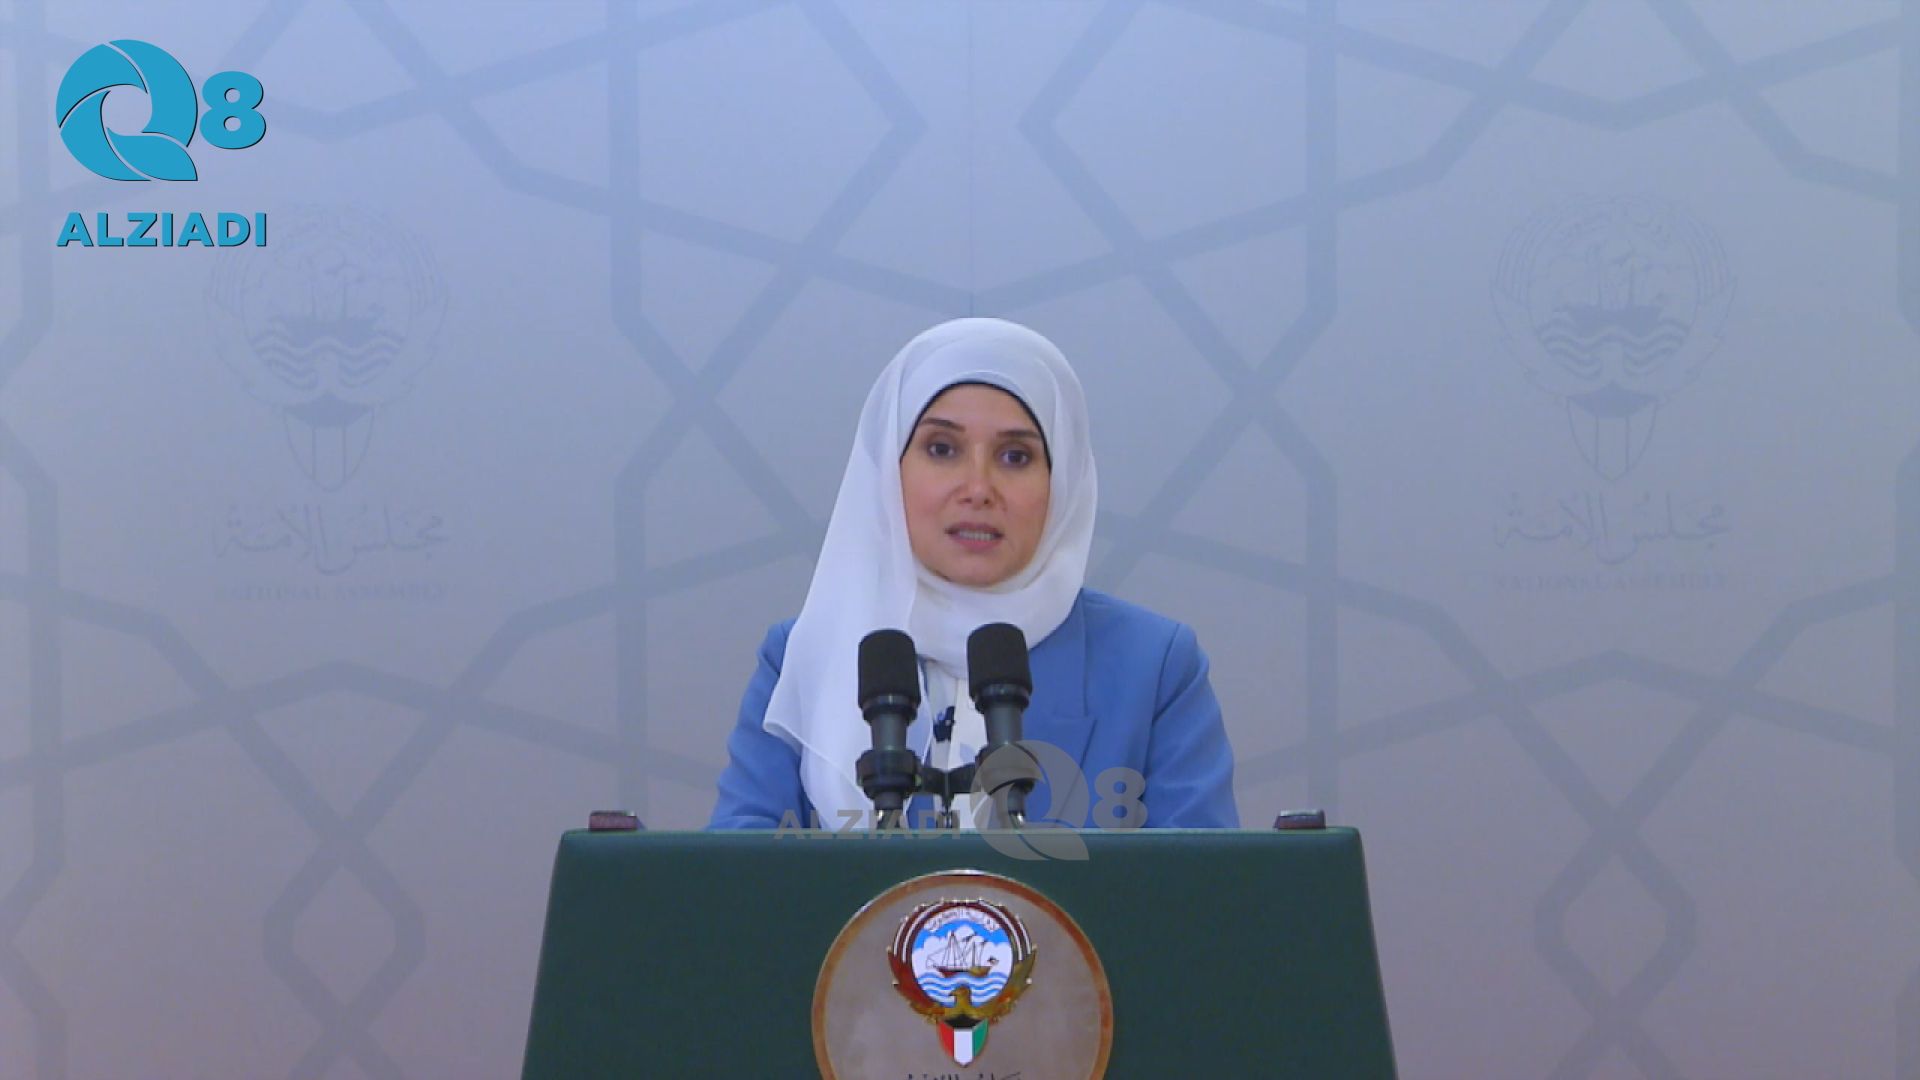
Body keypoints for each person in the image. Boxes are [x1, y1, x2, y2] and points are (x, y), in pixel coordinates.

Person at [708, 317, 1236, 830]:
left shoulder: (1154, 666)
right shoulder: (806, 654)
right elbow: (737, 870)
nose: (978, 488)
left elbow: (1204, 881)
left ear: (1063, 481)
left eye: (1015, 456)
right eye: (942, 450)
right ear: (889, 470)